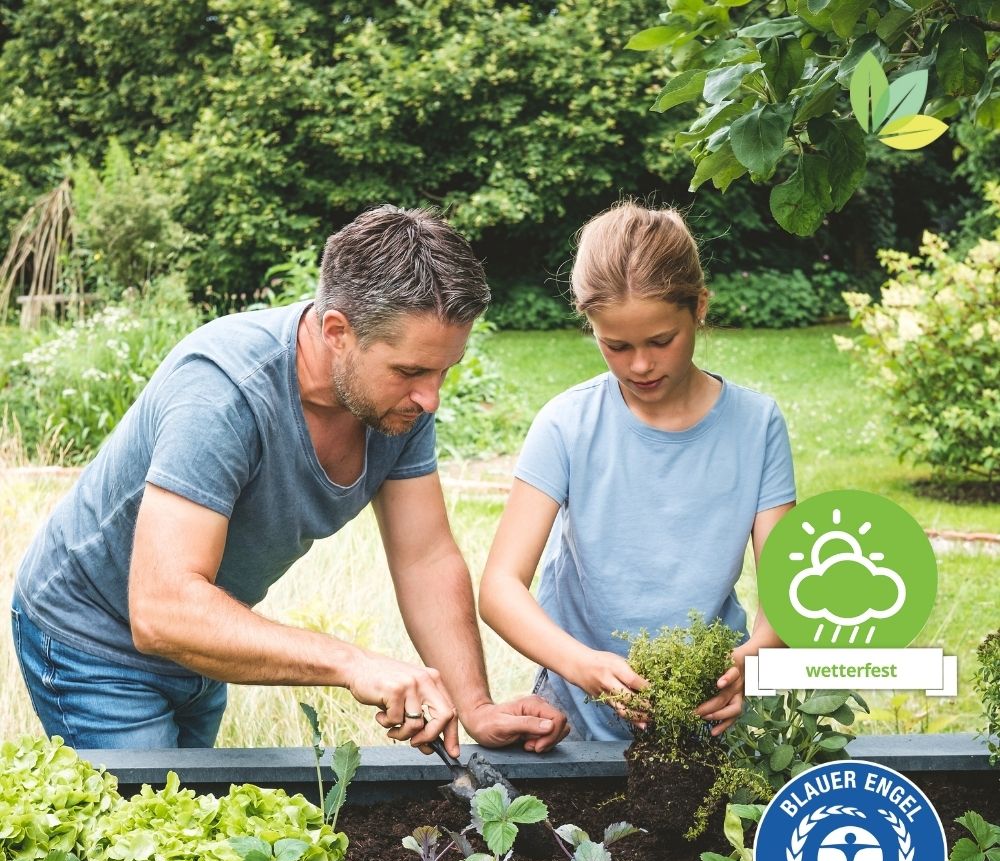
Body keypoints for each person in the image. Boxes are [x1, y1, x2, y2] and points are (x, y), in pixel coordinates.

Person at [11, 205, 568, 754]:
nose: (432, 397)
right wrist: (352, 662)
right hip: (93, 637)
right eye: (411, 371)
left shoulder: (397, 405)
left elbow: (425, 557)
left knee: (185, 812)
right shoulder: (223, 393)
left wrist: (476, 706)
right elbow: (162, 610)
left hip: (201, 639)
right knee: (149, 837)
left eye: (445, 369)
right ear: (337, 331)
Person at [479, 200, 795, 741]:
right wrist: (580, 664)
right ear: (590, 325)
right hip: (576, 707)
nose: (640, 365)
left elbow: (788, 588)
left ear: (698, 307)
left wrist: (754, 659)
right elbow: (499, 588)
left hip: (707, 704)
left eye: (660, 341)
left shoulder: (756, 425)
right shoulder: (567, 424)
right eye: (616, 346)